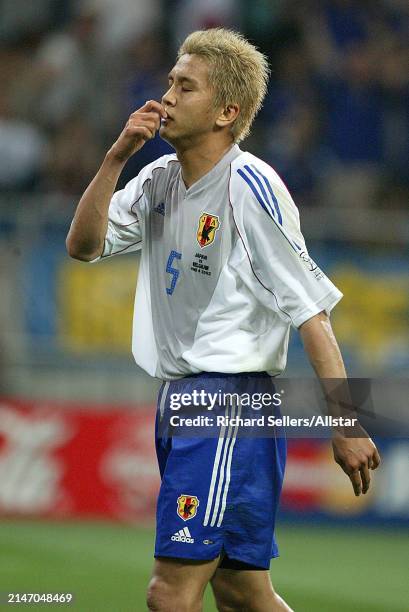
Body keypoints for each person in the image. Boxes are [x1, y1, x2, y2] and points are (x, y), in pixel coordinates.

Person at [66, 28, 381, 612]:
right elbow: (83, 246)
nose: (166, 97)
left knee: (169, 593)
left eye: (185, 87)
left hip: (225, 403)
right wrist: (114, 158)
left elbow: (311, 311)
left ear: (226, 111)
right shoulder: (158, 178)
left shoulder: (249, 185)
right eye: (169, 83)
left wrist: (348, 421)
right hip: (184, 402)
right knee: (241, 591)